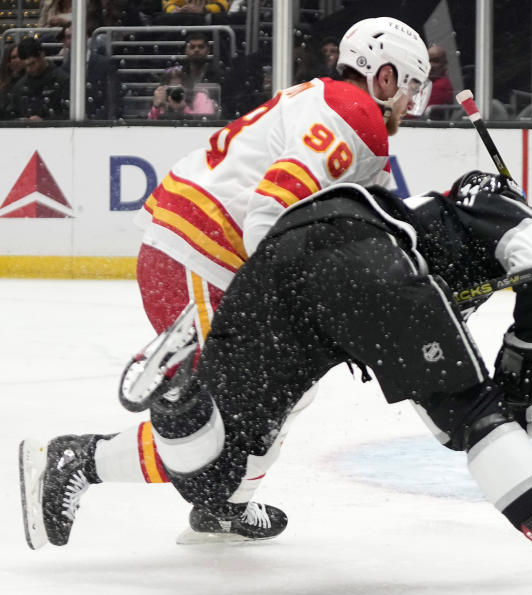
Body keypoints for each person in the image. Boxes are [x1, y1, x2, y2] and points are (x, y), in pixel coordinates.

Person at [119, 174, 532, 595]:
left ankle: (177, 397)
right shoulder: (493, 204)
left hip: (290, 250)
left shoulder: (427, 269)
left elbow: (452, 402)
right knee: (475, 418)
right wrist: (528, 356)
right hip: (361, 241)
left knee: (215, 477)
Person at [18, 16, 432, 550]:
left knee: (286, 391)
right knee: (214, 436)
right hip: (203, 257)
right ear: (385, 76)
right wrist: (281, 302)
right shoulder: (357, 117)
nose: (411, 105)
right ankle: (80, 459)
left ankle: (226, 504)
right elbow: (272, 207)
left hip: (198, 250)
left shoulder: (330, 103)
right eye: (411, 88)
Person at [1, 36, 69, 121]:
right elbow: (10, 115)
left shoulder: (63, 80)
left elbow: (69, 115)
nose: (29, 69)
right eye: (25, 66)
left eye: (32, 64)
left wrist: (45, 122)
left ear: (42, 54)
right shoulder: (19, 87)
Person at [147, 66, 217, 119]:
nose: (176, 93)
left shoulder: (199, 97)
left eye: (179, 89)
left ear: (188, 86)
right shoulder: (162, 101)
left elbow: (206, 122)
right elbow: (150, 129)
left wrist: (184, 109)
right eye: (171, 90)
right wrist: (156, 107)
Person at [425, 44, 454, 108]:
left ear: (444, 64)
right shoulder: (429, 82)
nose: (431, 65)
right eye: (428, 61)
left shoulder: (441, 85)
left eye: (435, 61)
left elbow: (420, 114)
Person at [161, 0, 228, 14]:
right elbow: (169, 4)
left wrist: (204, 10)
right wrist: (175, 10)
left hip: (208, 24)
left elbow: (223, 5)